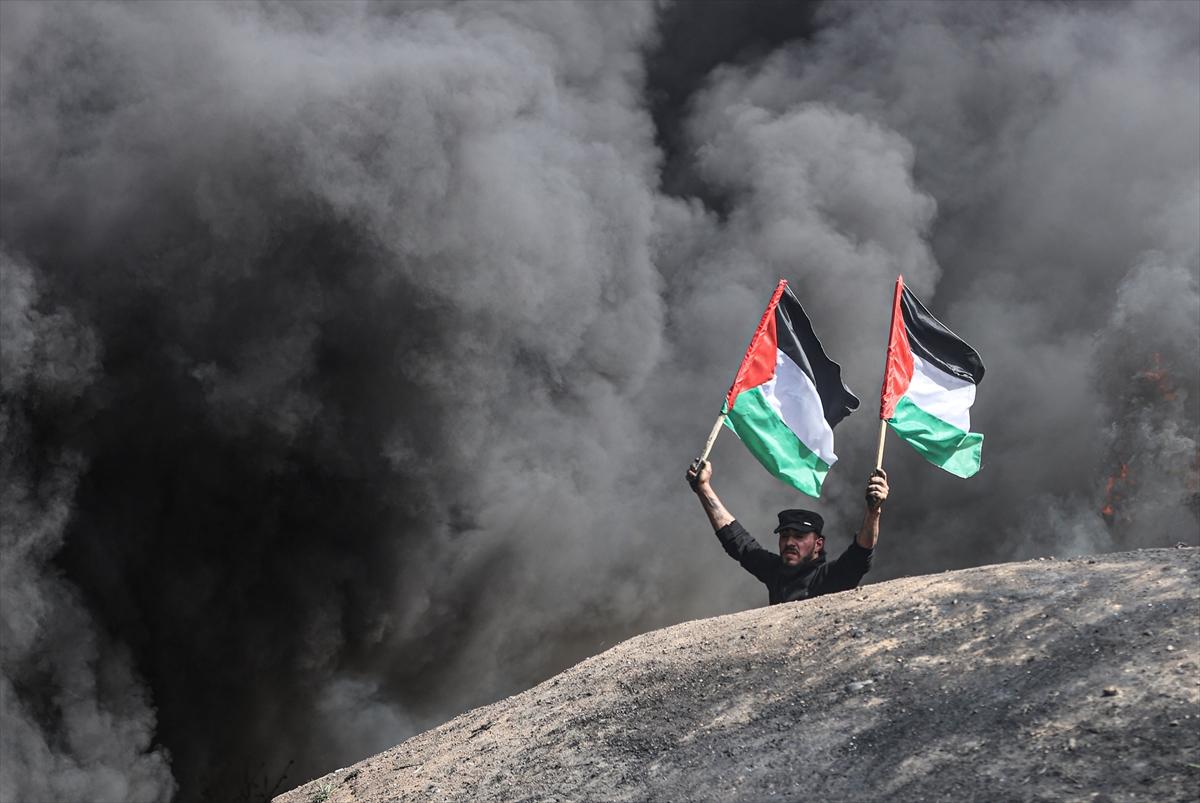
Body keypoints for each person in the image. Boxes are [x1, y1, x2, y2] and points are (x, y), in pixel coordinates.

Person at [686, 459, 889, 605]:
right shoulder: (776, 572)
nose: (790, 542)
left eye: (799, 536)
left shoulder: (830, 577)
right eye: (785, 536)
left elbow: (861, 552)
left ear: (818, 544)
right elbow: (738, 542)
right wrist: (703, 489)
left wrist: (873, 511)